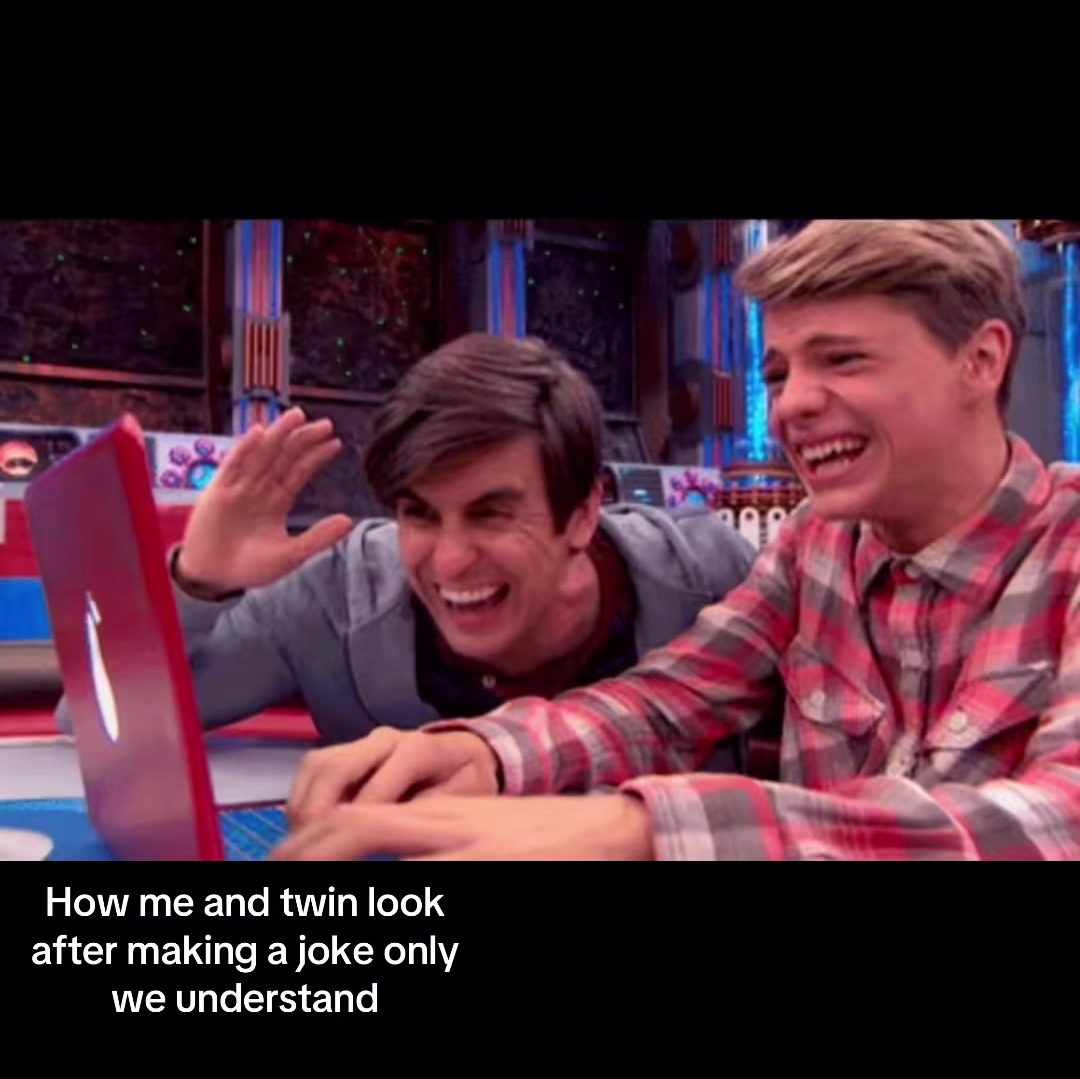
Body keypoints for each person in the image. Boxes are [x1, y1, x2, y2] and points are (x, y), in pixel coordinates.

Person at [274, 219, 1080, 861]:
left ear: (981, 360)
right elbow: (669, 700)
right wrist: (488, 753)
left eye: (842, 359)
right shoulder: (815, 544)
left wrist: (645, 829)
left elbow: (1056, 823)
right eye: (777, 373)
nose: (793, 404)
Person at [56, 333, 757, 763]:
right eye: (418, 515)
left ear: (581, 513)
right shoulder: (329, 600)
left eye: (491, 515)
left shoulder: (713, 580)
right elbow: (91, 721)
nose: (448, 563)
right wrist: (198, 581)